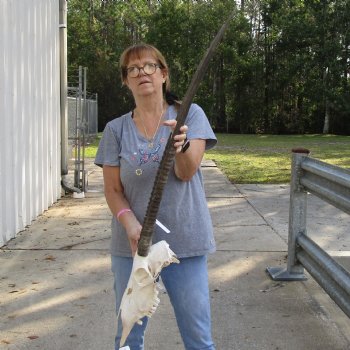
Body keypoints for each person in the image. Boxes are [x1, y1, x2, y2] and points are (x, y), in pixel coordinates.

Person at [95, 43, 217, 350]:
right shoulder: (115, 130)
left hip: (185, 241)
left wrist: (183, 146)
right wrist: (129, 222)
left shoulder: (190, 115)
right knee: (127, 337)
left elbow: (187, 172)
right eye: (133, 69)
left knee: (198, 337)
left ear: (163, 74)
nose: (141, 73)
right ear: (125, 80)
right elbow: (112, 190)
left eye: (149, 66)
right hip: (133, 247)